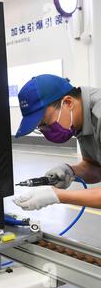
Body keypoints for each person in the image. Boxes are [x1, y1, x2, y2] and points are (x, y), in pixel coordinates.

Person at [13, 74, 101, 211]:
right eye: (40, 128)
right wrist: (71, 171)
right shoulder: (80, 119)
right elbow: (96, 168)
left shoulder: (99, 113)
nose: (46, 131)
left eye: (46, 123)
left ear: (68, 103)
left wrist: (58, 196)